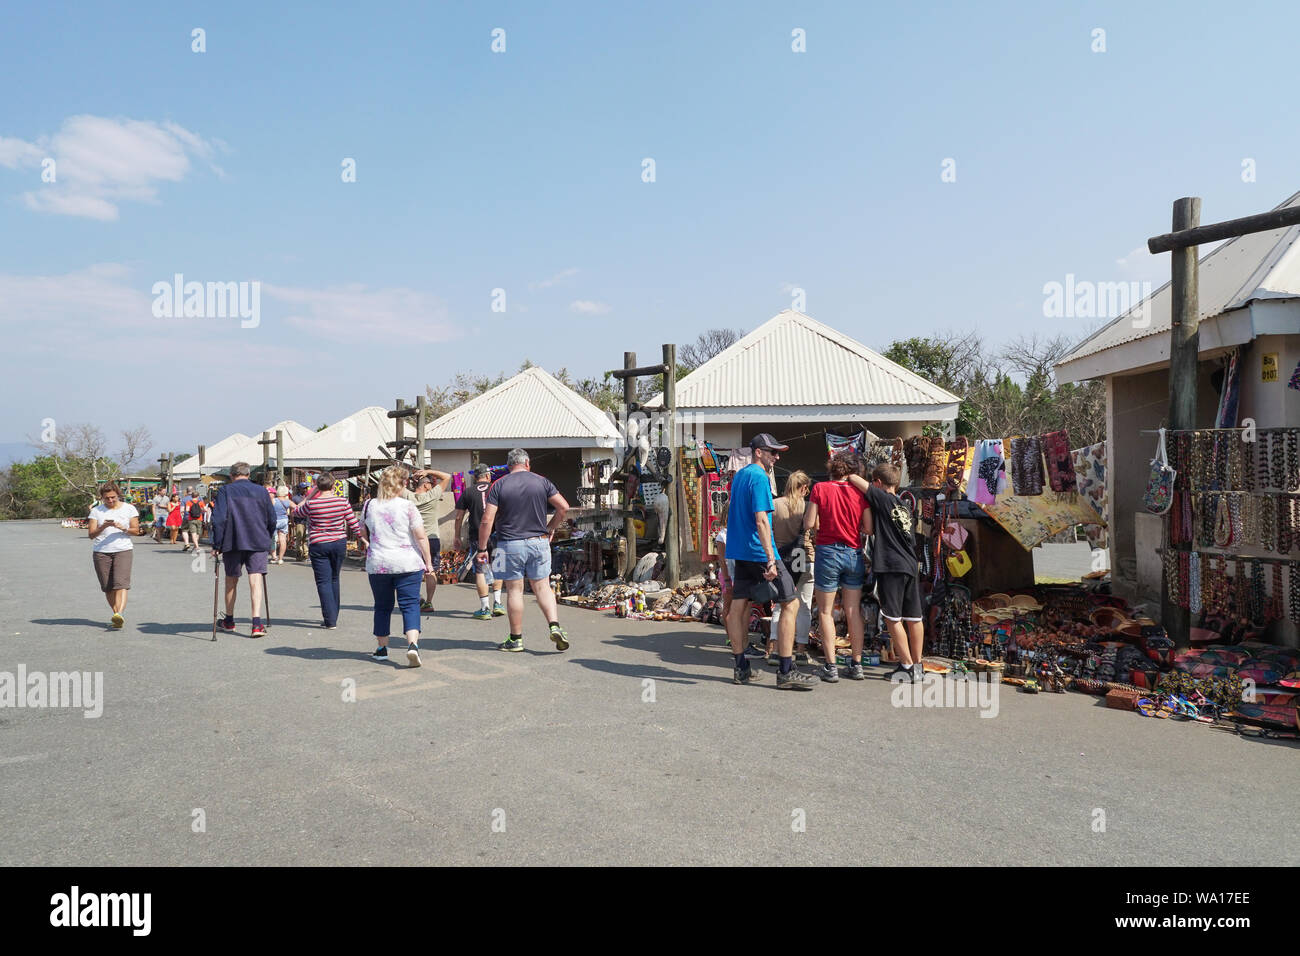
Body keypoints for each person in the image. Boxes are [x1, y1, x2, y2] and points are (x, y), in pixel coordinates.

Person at [724, 434, 817, 689]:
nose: (776, 457)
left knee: (738, 606)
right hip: (759, 551)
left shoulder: (740, 476)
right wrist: (770, 559)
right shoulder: (759, 477)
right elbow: (761, 520)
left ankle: (740, 667)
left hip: (739, 550)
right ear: (757, 452)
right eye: (771, 452)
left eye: (777, 452)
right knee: (791, 603)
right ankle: (786, 670)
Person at [475, 448, 570, 652]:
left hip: (508, 544)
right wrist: (550, 528)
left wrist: (482, 548)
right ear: (527, 463)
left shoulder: (498, 485)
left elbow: (486, 519)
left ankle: (516, 639)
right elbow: (563, 507)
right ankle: (555, 626)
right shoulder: (542, 481)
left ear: (509, 465)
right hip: (539, 541)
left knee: (514, 590)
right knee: (543, 587)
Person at [848, 463, 923, 683]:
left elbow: (856, 481)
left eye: (874, 483)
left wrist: (848, 472)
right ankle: (917, 666)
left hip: (892, 565)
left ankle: (907, 667)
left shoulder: (884, 499)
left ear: (879, 484)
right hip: (910, 564)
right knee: (914, 617)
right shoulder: (904, 505)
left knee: (892, 618)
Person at [804, 456, 871, 682]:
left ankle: (831, 666)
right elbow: (869, 528)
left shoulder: (820, 489)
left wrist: (820, 525)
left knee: (825, 611)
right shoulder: (860, 493)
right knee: (853, 610)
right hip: (853, 552)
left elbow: (809, 522)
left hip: (827, 551)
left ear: (831, 469)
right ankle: (857, 663)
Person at [360, 465, 434, 666]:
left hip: (379, 564)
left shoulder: (369, 505)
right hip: (407, 562)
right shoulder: (408, 507)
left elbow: (363, 532)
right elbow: (420, 536)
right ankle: (412, 646)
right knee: (410, 605)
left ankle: (382, 648)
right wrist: (428, 562)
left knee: (382, 606)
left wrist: (371, 544)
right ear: (402, 484)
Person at [209, 461, 277, 637]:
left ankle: (229, 620)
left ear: (232, 475)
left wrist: (217, 544)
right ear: (249, 475)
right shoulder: (262, 491)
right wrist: (267, 537)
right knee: (255, 580)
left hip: (233, 541)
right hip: (258, 540)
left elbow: (218, 520)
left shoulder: (225, 491)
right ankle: (256, 623)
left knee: (231, 580)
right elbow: (272, 518)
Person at [292, 474, 362, 629]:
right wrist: (362, 539)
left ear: (317, 486)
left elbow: (296, 511)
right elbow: (353, 523)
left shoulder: (312, 504)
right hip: (338, 542)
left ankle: (330, 620)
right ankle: (333, 614)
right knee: (334, 578)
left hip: (319, 544)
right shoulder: (342, 502)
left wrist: (310, 495)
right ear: (333, 486)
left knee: (323, 581)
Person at [770, 470, 815, 666]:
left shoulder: (774, 505)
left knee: (780, 605)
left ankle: (775, 649)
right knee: (804, 606)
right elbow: (816, 529)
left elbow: (766, 530)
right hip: (804, 557)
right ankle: (801, 650)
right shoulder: (807, 507)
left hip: (781, 559)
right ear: (804, 488)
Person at [88, 481, 139, 629]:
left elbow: (136, 530)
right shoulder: (96, 511)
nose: (110, 501)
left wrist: (123, 528)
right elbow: (91, 534)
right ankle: (116, 615)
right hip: (101, 551)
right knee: (107, 586)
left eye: (113, 497)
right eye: (107, 498)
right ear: (101, 498)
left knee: (120, 584)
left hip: (123, 549)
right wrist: (103, 526)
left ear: (118, 495)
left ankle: (120, 614)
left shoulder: (129, 509)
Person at [455, 464, 503, 620]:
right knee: (498, 567)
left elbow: (459, 517)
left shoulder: (468, 492)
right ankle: (498, 603)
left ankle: (485, 608)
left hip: (477, 536)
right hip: (498, 535)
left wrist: (457, 536)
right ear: (488, 476)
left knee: (480, 571)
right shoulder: (497, 488)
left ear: (475, 477)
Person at [404, 468, 451, 613]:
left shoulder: (407, 496)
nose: (431, 485)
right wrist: (427, 471)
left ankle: (416, 597)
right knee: (430, 571)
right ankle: (429, 602)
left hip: (413, 539)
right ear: (426, 485)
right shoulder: (433, 495)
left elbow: (396, 485)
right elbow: (447, 476)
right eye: (430, 483)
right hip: (431, 538)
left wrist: (411, 476)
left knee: (412, 571)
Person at [270, 485, 292, 565]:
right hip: (284, 520)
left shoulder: (274, 500)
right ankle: (280, 558)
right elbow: (297, 507)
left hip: (274, 521)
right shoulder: (288, 501)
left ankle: (274, 557)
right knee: (282, 539)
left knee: (272, 539)